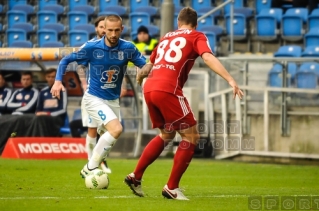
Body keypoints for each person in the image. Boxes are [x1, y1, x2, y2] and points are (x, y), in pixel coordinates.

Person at [124, 7, 244, 200]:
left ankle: (136, 176)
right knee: (191, 136)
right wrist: (230, 79)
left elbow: (148, 65)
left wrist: (140, 77)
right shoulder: (197, 35)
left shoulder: (166, 37)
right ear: (195, 24)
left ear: (178, 23)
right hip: (168, 89)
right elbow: (207, 57)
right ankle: (171, 187)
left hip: (150, 87)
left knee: (167, 133)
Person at [50, 15, 146, 177]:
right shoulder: (92, 47)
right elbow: (66, 59)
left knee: (110, 134)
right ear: (104, 30)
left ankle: (94, 164)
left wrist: (143, 72)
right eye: (110, 30)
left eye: (117, 30)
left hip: (113, 100)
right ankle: (90, 166)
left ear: (122, 29)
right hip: (94, 98)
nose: (113, 34)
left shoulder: (128, 48)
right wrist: (58, 81)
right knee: (112, 129)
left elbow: (143, 64)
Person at [74, 16, 112, 173]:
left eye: (106, 27)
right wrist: (84, 84)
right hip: (93, 94)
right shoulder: (90, 46)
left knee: (109, 131)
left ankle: (100, 160)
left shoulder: (115, 46)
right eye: (101, 27)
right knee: (92, 129)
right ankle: (92, 163)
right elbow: (80, 66)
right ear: (96, 29)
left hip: (109, 94)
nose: (104, 30)